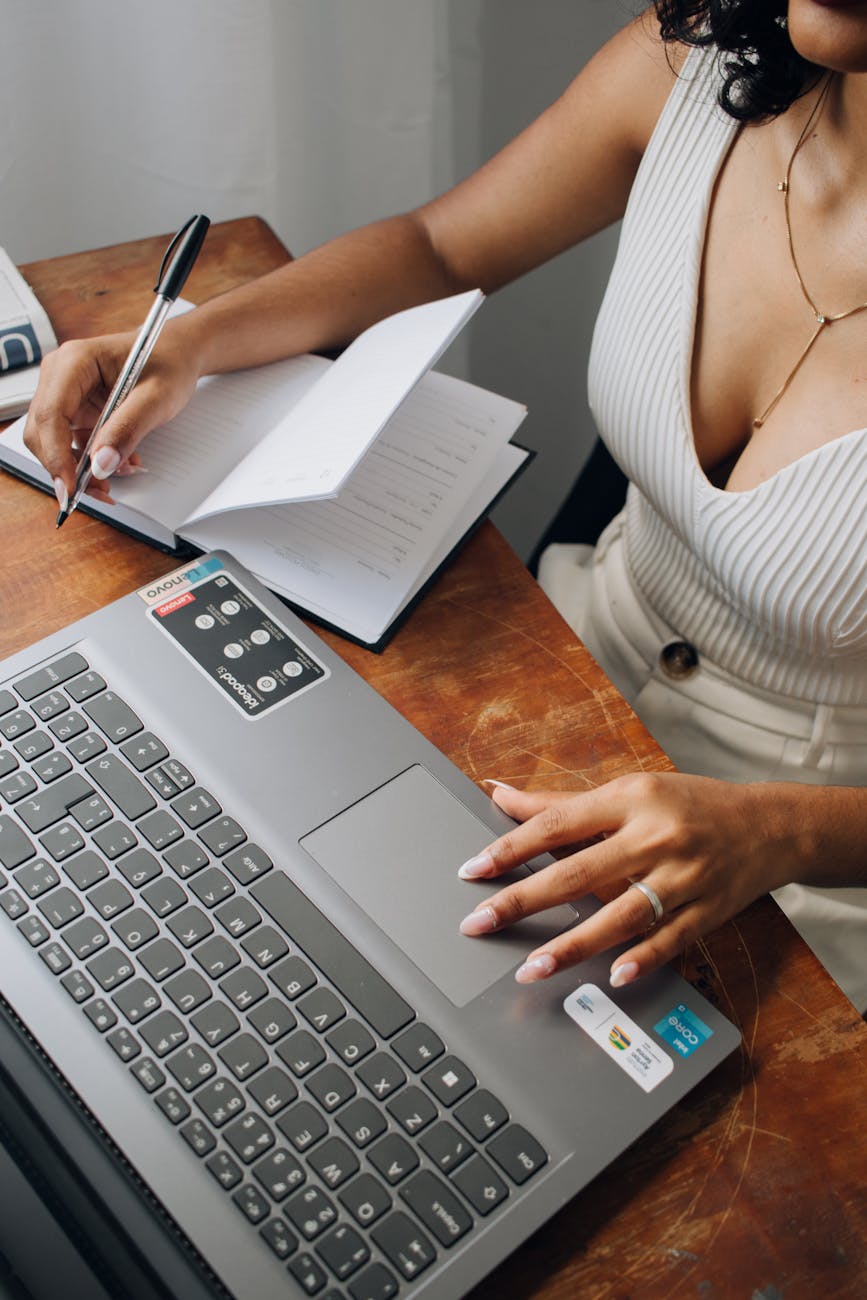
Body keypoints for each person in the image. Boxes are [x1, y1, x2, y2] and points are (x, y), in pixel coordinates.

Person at [24, 1, 867, 1010]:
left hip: (808, 854)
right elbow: (439, 247)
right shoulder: (698, 63)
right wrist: (190, 344)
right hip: (555, 675)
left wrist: (780, 831)